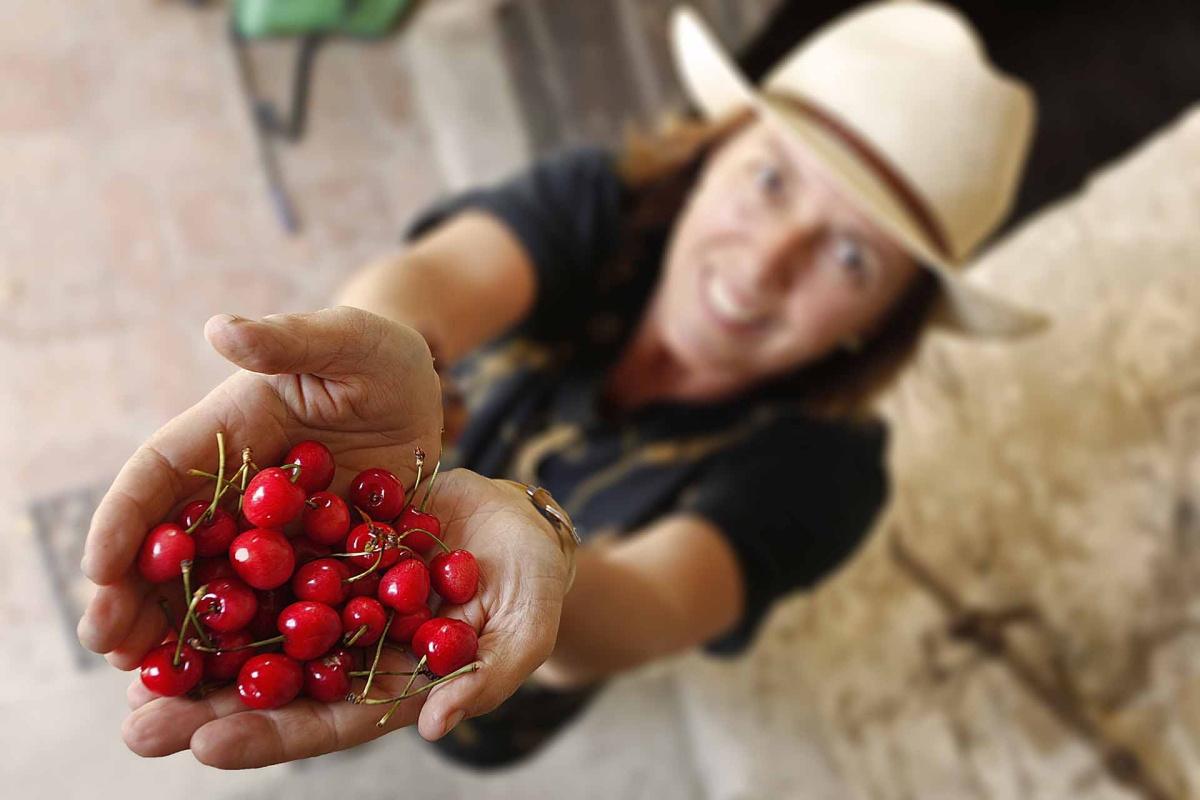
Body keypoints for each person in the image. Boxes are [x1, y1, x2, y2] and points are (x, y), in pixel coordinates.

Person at [77, 1, 1046, 770]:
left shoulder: (827, 471)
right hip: (365, 603)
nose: (766, 263)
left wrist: (535, 559)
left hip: (464, 677)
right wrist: (380, 351)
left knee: (407, 718)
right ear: (715, 152)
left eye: (851, 256)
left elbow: (652, 612)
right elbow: (433, 286)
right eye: (772, 179)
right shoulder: (605, 205)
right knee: (276, 697)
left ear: (889, 315)